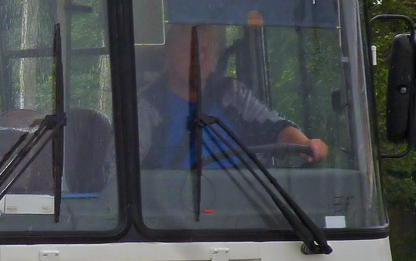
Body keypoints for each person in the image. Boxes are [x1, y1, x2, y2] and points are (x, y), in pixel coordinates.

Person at [139, 23, 328, 169]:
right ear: (169, 53)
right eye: (191, 49)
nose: (200, 57)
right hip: (175, 212)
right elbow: (118, 176)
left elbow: (275, 128)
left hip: (244, 205)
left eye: (207, 49)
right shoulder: (145, 107)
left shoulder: (231, 94)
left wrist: (305, 144)